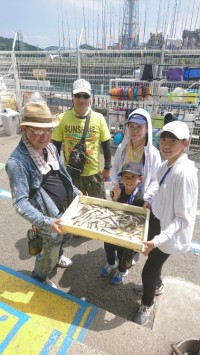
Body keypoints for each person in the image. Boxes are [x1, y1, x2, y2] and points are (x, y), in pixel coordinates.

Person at [6, 101, 81, 288]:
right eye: (38, 131)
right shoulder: (17, 162)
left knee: (64, 238)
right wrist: (46, 222)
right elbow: (20, 203)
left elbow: (62, 174)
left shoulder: (51, 147)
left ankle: (59, 256)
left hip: (65, 208)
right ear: (24, 129)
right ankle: (40, 277)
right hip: (46, 218)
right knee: (48, 251)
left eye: (48, 130)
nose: (45, 136)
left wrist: (75, 192)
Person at [133, 121, 198, 326]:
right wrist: (149, 199)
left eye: (173, 140)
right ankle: (157, 285)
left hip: (168, 231)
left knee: (148, 270)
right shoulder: (168, 162)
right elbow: (155, 182)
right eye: (163, 138)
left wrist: (158, 240)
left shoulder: (184, 173)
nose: (166, 144)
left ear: (185, 143)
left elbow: (183, 218)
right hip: (158, 219)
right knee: (154, 265)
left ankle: (147, 303)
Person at [111, 108, 162, 261]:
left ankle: (129, 256)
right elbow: (115, 169)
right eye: (131, 126)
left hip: (141, 197)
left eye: (139, 127)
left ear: (147, 128)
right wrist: (115, 185)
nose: (135, 131)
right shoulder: (122, 148)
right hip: (122, 193)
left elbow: (155, 180)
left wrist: (147, 198)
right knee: (120, 224)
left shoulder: (153, 154)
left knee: (136, 228)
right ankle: (118, 252)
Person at [51, 78, 112, 198]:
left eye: (85, 96)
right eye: (78, 95)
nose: (81, 99)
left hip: (93, 173)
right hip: (71, 173)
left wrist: (107, 167)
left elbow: (106, 144)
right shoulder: (61, 118)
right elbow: (55, 148)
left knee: (98, 206)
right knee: (74, 206)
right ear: (72, 96)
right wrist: (57, 171)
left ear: (90, 98)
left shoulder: (99, 118)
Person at [100, 162, 144, 285]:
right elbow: (111, 208)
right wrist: (116, 197)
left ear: (140, 179)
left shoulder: (140, 198)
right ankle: (111, 263)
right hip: (115, 226)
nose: (128, 180)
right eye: (126, 177)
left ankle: (122, 270)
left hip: (129, 232)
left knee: (123, 253)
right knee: (108, 245)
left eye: (132, 177)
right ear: (121, 178)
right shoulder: (117, 190)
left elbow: (140, 220)